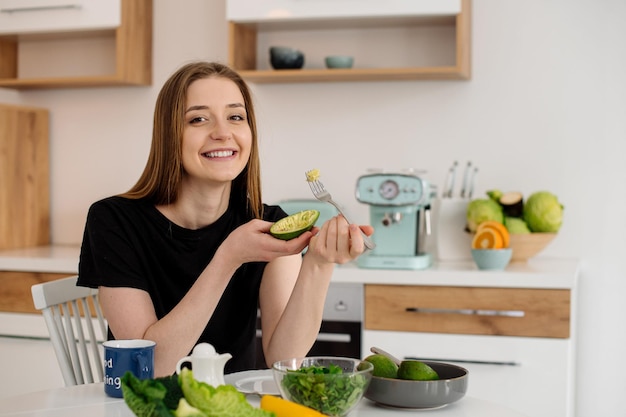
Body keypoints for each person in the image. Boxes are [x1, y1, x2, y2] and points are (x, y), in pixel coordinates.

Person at [77, 61, 373, 377]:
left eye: (235, 117)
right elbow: (149, 367)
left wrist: (318, 263)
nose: (222, 133)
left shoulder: (270, 224)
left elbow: (283, 358)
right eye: (199, 119)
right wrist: (229, 258)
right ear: (169, 134)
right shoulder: (114, 220)